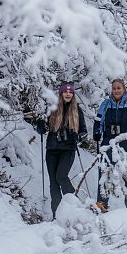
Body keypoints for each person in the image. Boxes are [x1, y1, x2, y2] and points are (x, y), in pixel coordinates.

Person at [93, 78, 127, 211]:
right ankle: (102, 204)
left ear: (124, 89)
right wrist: (96, 132)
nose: (116, 91)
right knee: (104, 171)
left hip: (126, 140)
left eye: (119, 88)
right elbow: (98, 120)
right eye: (114, 88)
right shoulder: (106, 104)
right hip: (109, 140)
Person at [38, 81, 87, 219]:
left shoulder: (77, 110)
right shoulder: (52, 108)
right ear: (61, 93)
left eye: (71, 92)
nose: (68, 94)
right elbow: (43, 127)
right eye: (65, 91)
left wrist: (78, 136)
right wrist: (40, 126)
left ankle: (74, 207)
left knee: (61, 177)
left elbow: (84, 132)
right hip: (52, 149)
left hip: (68, 149)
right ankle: (57, 215)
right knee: (53, 183)